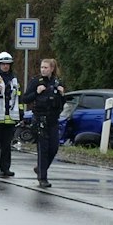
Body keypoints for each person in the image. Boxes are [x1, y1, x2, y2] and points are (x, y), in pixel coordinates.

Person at [21, 57, 69, 187]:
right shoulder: (36, 81)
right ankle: (43, 178)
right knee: (43, 149)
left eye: (46, 67)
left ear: (52, 69)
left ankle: (40, 168)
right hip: (40, 119)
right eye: (42, 67)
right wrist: (36, 93)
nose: (43, 70)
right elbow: (25, 99)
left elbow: (62, 102)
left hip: (53, 119)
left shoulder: (58, 82)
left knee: (54, 148)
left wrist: (62, 94)